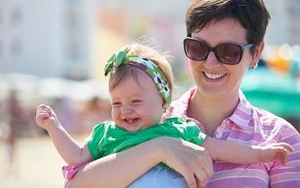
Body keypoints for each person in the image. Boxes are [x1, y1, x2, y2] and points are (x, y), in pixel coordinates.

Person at [53, 0, 300, 187]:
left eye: (228, 52)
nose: (210, 62)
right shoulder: (142, 118)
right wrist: (159, 147)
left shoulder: (281, 139)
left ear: (255, 53)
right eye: (198, 48)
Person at [37, 44, 294, 188]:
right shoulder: (106, 134)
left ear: (163, 102)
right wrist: (54, 127)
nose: (125, 109)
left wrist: (262, 153)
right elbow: (75, 158)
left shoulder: (179, 129)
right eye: (117, 103)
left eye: (135, 101)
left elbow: (222, 148)